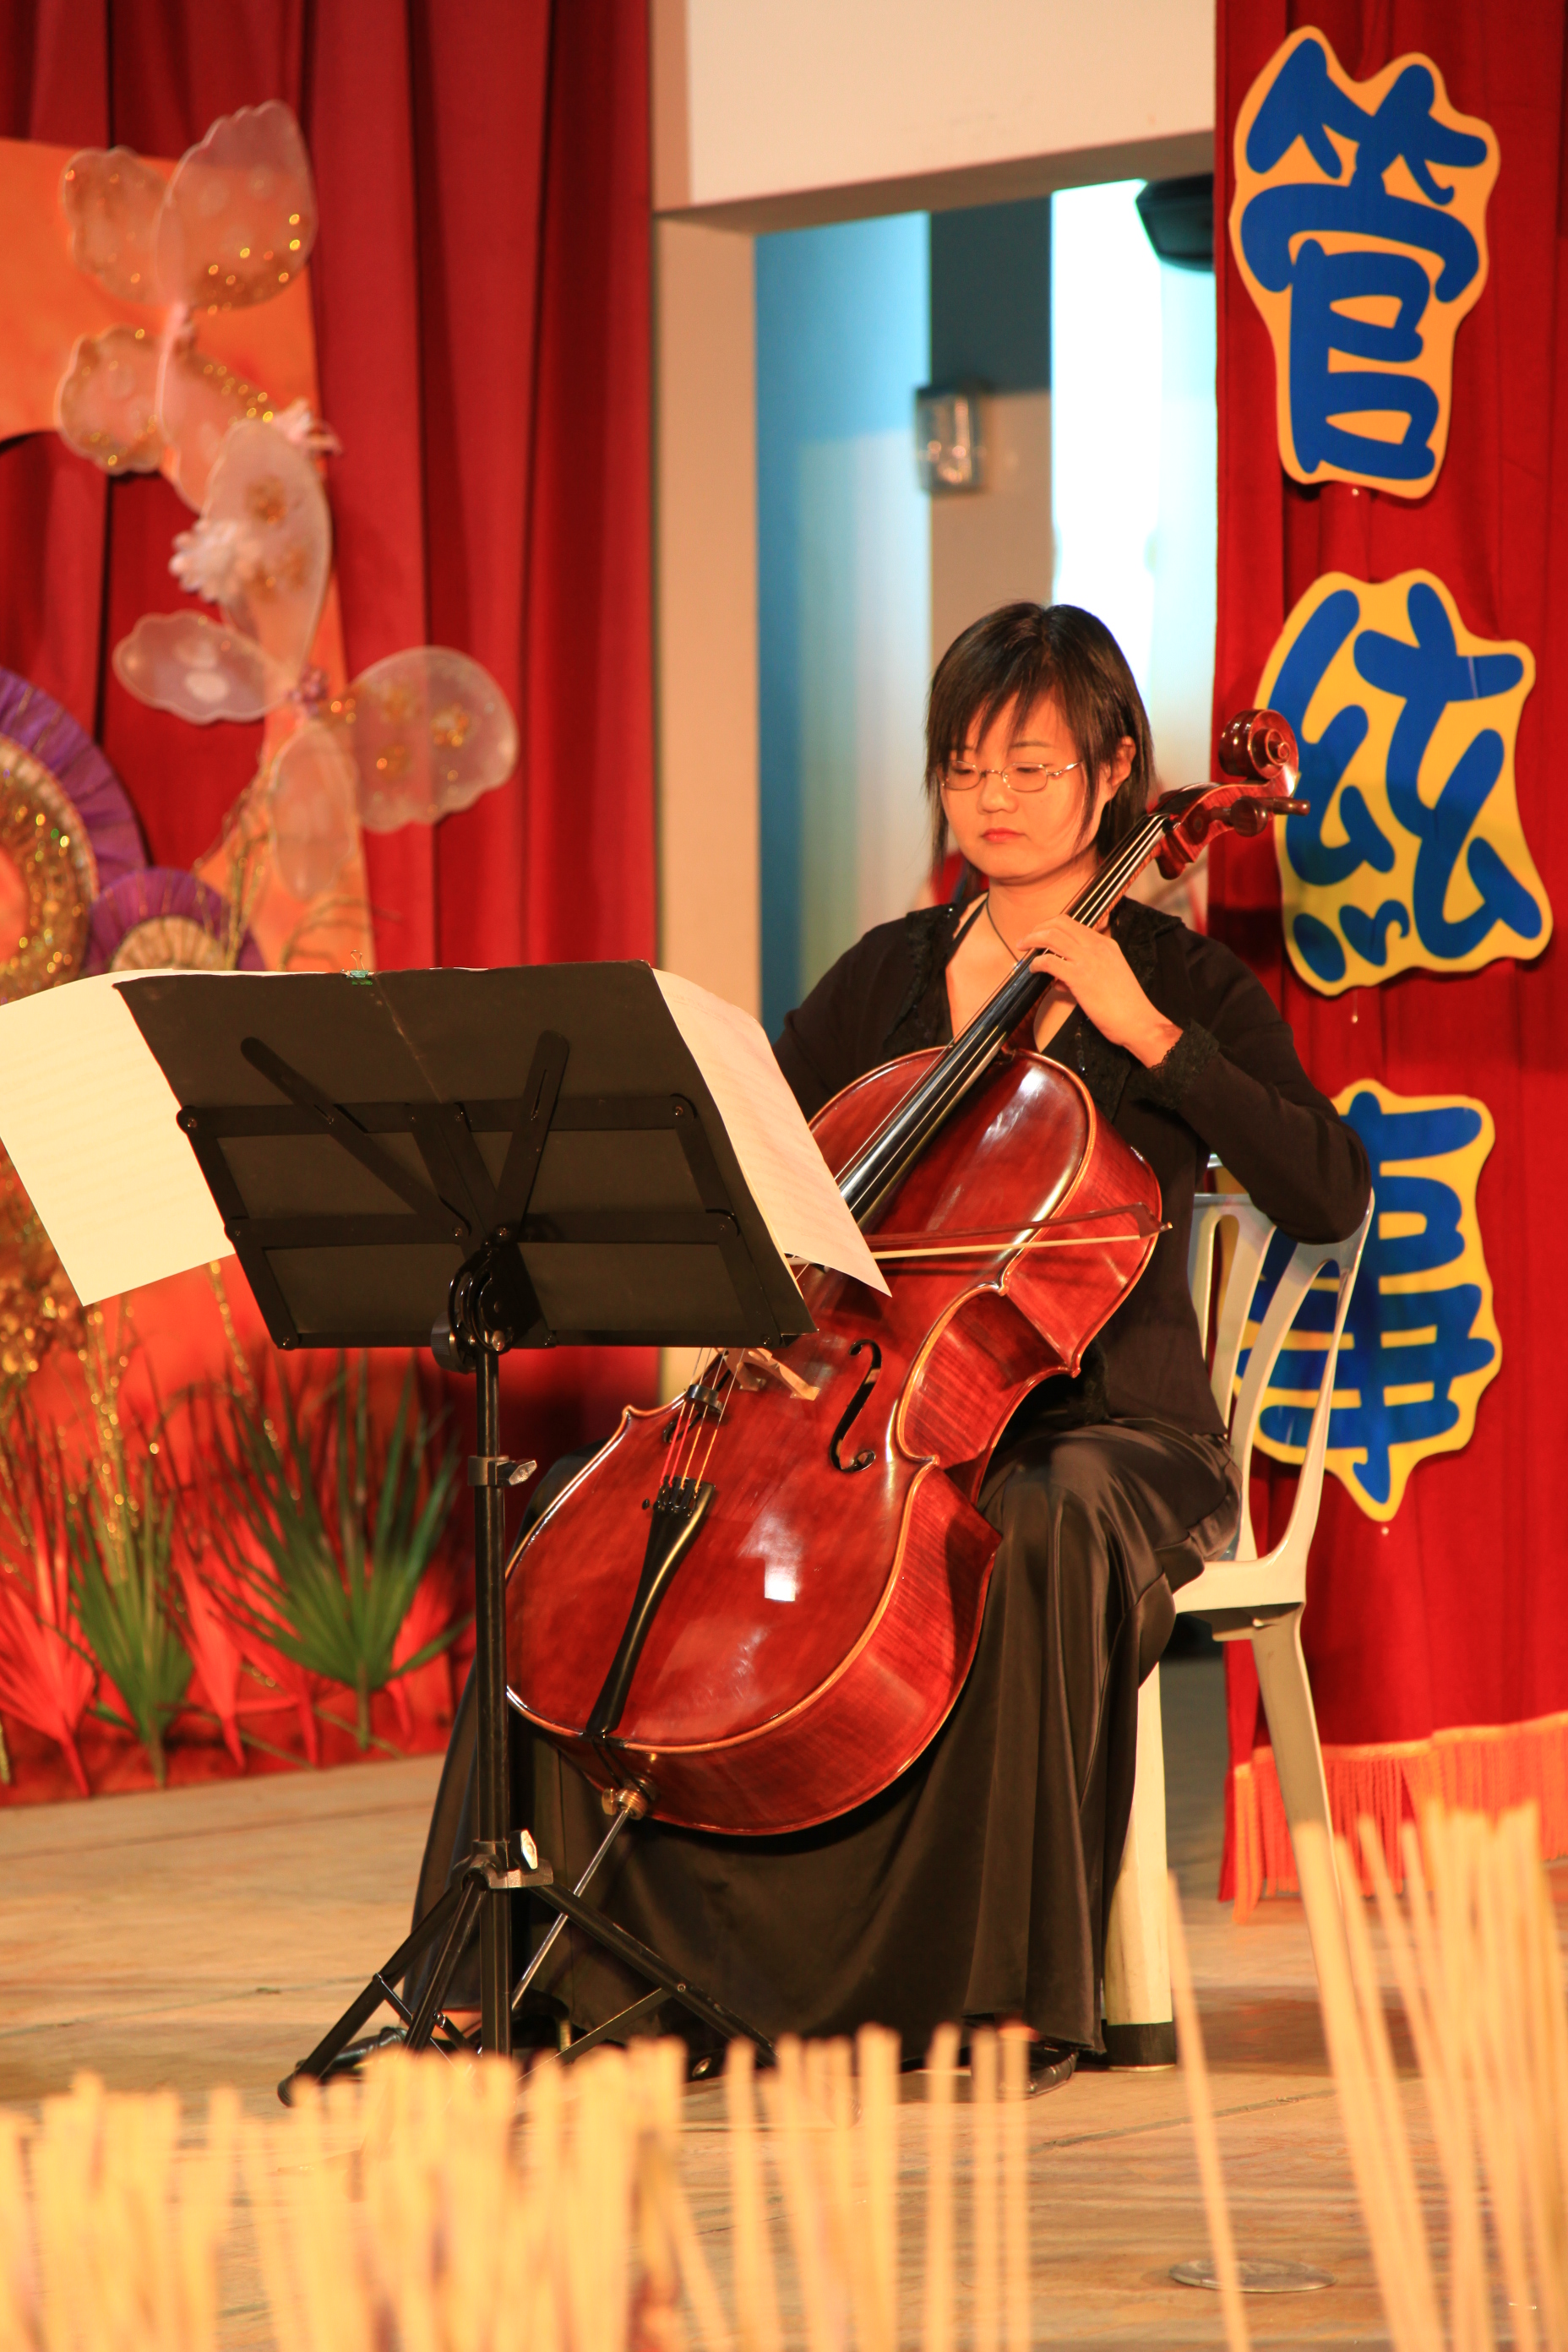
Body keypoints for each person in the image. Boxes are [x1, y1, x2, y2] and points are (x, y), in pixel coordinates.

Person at [411, 602, 1370, 2084]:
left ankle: (995, 1998)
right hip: (866, 1415)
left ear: (1117, 772)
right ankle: (515, 1976)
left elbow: (1327, 1188)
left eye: (1031, 769)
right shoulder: (888, 976)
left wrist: (1147, 1034)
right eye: (966, 768)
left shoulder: (1182, 986)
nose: (992, 800)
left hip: (1105, 1428)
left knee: (1036, 1524)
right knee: (581, 1529)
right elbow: (754, 1161)